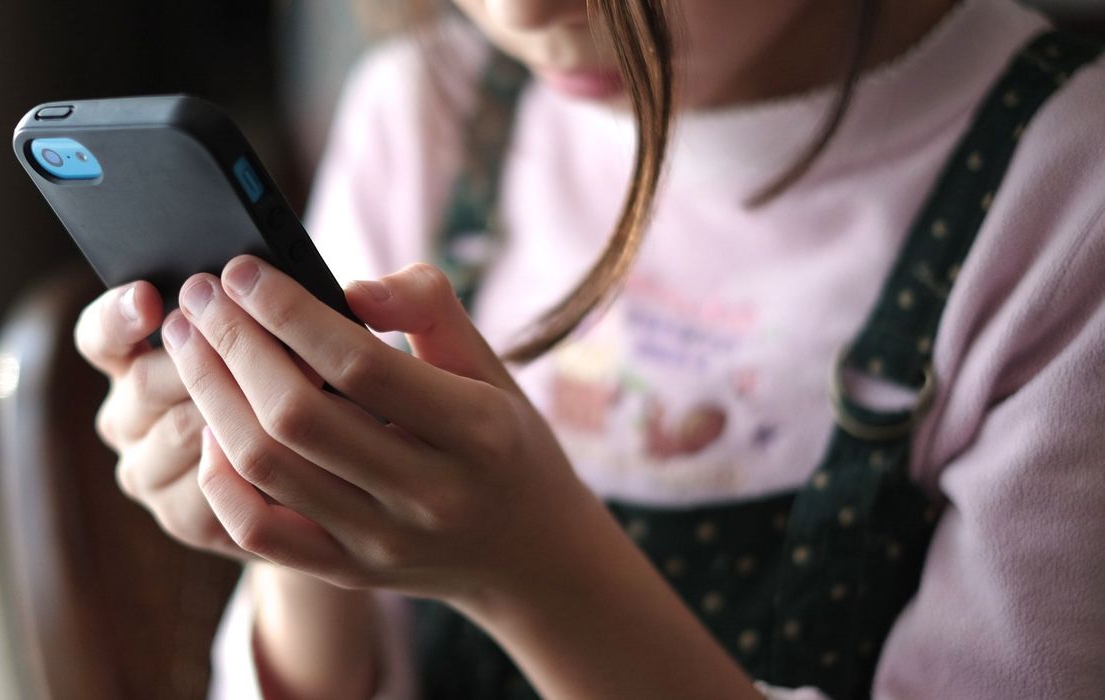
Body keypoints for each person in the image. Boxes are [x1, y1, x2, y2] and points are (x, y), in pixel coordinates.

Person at [72, 0, 1105, 697]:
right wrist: (293, 508)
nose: (519, 10)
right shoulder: (428, 116)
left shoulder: (1064, 198)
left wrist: (533, 574)